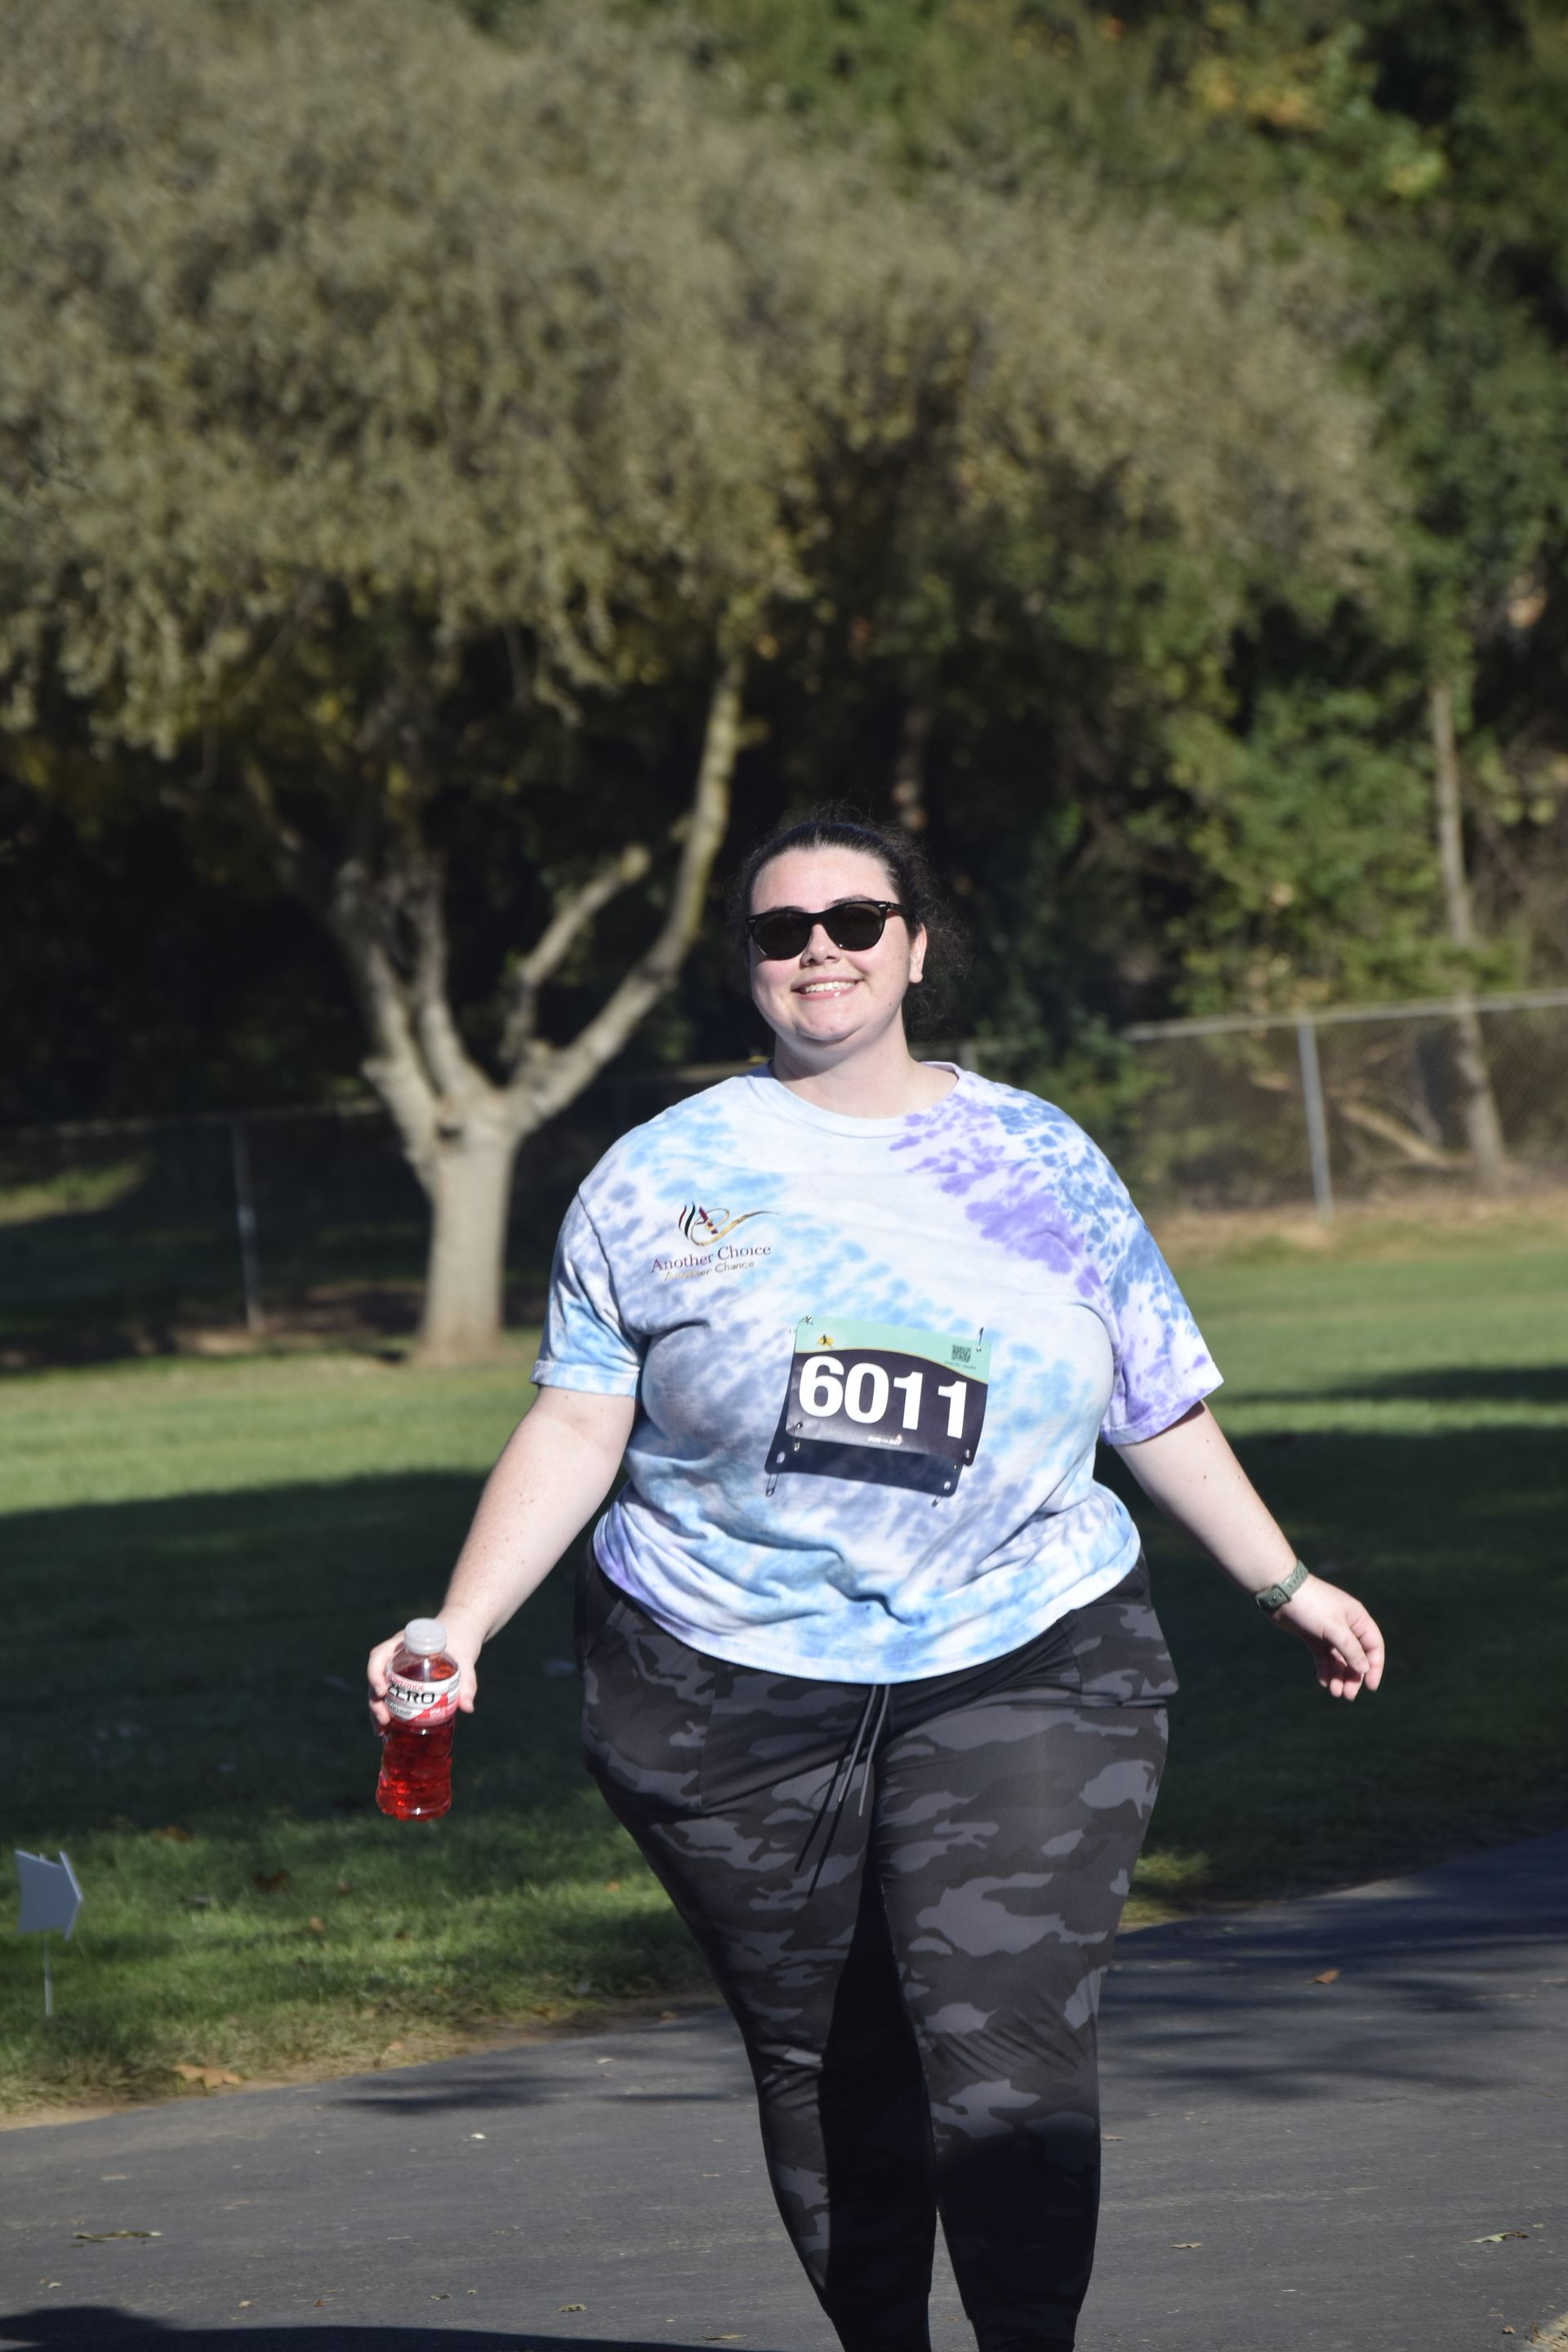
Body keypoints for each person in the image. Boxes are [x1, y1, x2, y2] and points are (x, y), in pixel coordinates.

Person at [368, 811, 1385, 2352]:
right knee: (829, 2060)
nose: (820, 950)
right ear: (750, 967)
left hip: (1027, 1649)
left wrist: (1283, 1579)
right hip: (719, 1676)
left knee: (1005, 2044)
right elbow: (581, 1417)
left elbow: (1151, 1395)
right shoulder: (661, 1177)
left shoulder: (1040, 1156)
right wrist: (463, 1619)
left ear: (916, 944)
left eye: (856, 918)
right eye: (783, 931)